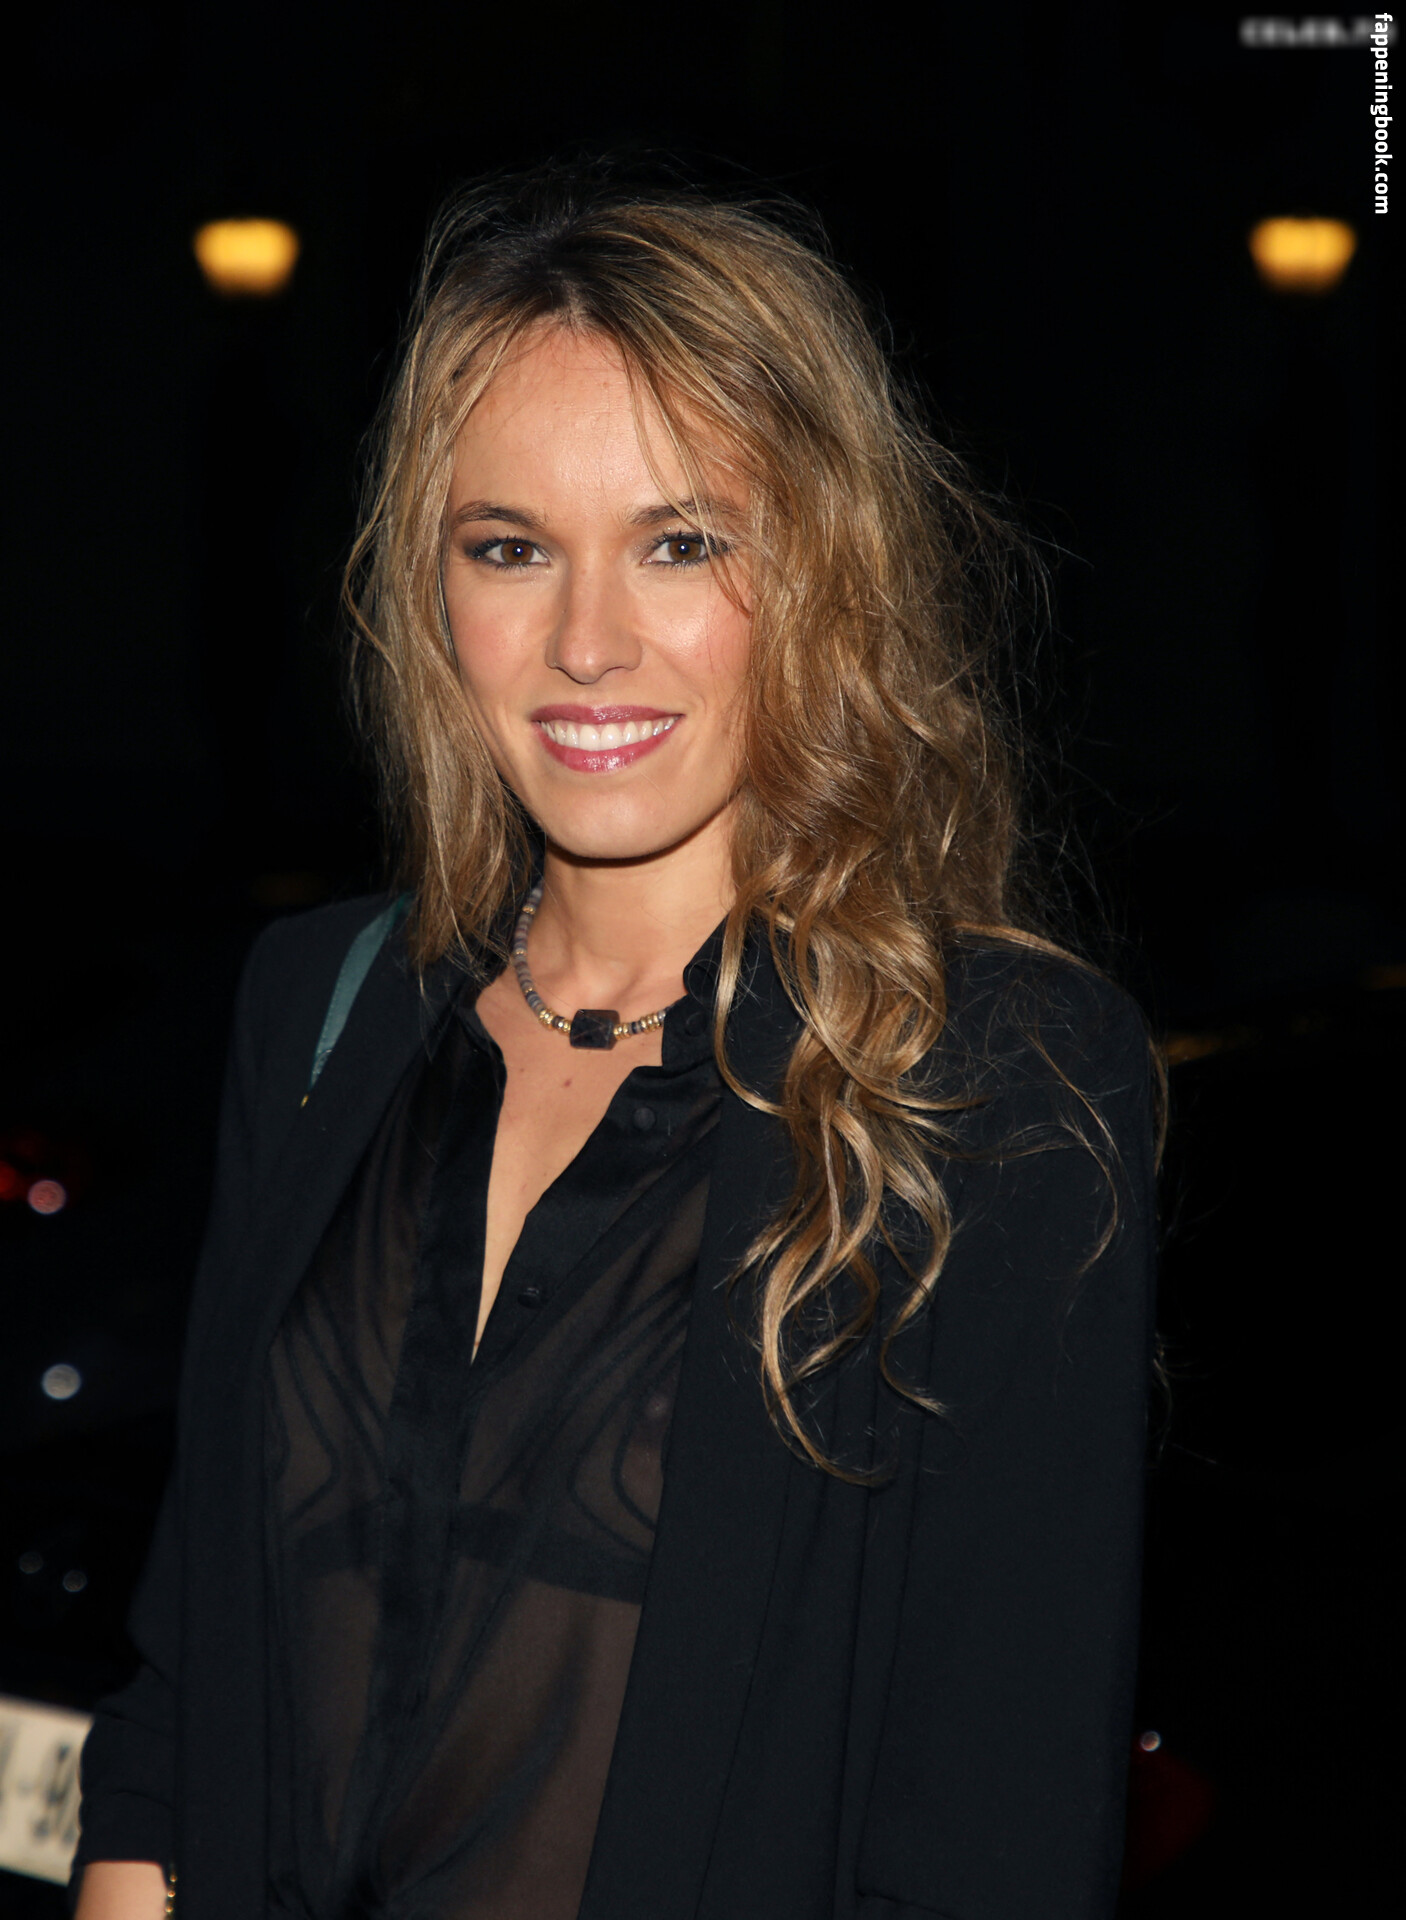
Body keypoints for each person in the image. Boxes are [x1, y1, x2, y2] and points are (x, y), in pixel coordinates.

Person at [72, 167, 1158, 1920]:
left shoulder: (992, 1080)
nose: (585, 643)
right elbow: (191, 1669)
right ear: (432, 588)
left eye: (681, 542)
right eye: (509, 548)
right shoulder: (318, 1005)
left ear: (822, 570)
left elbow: (995, 1822)